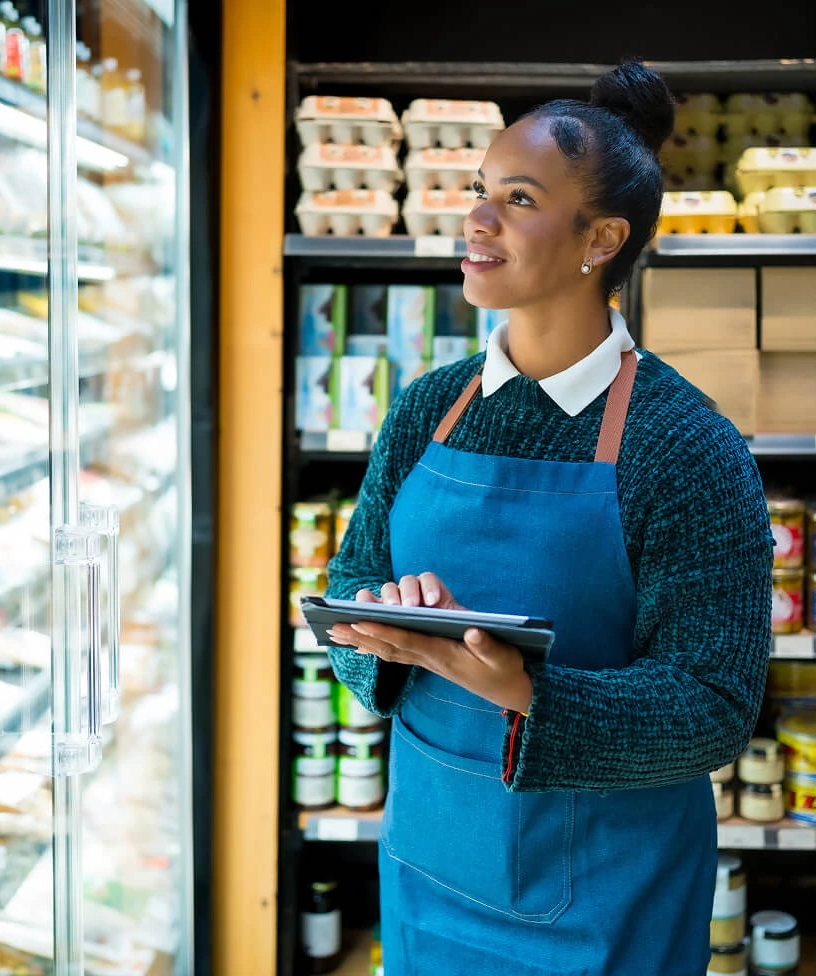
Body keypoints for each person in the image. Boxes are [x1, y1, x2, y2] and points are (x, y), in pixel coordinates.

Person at [325, 60, 773, 976]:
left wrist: (526, 691)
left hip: (610, 901)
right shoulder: (425, 408)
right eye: (480, 190)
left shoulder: (684, 445)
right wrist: (386, 633)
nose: (475, 220)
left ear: (600, 237)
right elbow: (344, 592)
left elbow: (716, 705)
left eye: (517, 199)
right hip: (429, 870)